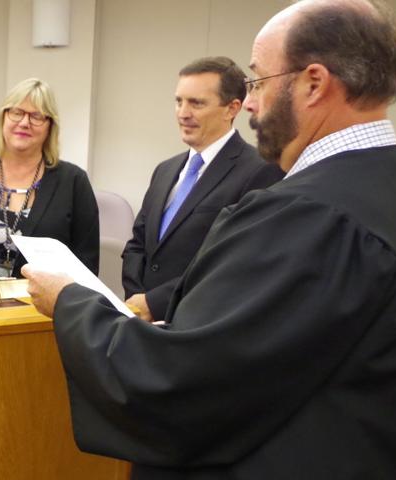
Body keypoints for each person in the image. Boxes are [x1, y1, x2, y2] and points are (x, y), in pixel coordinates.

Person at [24, 1, 396, 480]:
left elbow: (175, 384)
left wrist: (69, 301)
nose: (252, 103)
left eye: (259, 81)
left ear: (315, 83)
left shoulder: (311, 220)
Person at [121, 56, 284, 322]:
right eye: (179, 101)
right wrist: (137, 297)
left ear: (232, 108)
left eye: (196, 103)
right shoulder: (165, 170)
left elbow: (235, 264)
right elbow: (138, 244)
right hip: (143, 321)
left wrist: (155, 303)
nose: (183, 113)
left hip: (201, 324)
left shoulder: (260, 171)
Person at [0, 78, 99, 278]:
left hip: (43, 308)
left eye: (36, 116)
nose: (24, 123)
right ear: (4, 118)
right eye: (17, 112)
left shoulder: (74, 182)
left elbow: (87, 265)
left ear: (50, 126)